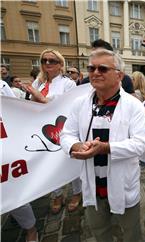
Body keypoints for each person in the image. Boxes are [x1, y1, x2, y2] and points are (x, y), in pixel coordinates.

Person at [60, 49, 145, 242]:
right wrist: (76, 146)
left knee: (131, 233)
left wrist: (106, 148)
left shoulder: (133, 106)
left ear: (119, 75)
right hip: (93, 185)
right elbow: (66, 134)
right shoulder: (79, 104)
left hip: (122, 185)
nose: (95, 72)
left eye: (102, 68)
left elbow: (140, 144)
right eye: (91, 68)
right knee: (100, 232)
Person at [22, 49, 79, 214]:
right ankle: (57, 194)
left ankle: (77, 192)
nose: (47, 63)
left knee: (70, 159)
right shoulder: (38, 83)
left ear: (60, 65)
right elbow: (31, 106)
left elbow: (66, 108)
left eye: (52, 61)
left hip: (64, 128)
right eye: (44, 60)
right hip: (42, 129)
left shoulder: (68, 84)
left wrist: (39, 97)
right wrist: (33, 95)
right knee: (49, 163)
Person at [1, 81, 38, 242]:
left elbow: (15, 112)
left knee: (11, 191)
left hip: (4, 145)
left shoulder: (2, 86)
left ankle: (30, 228)